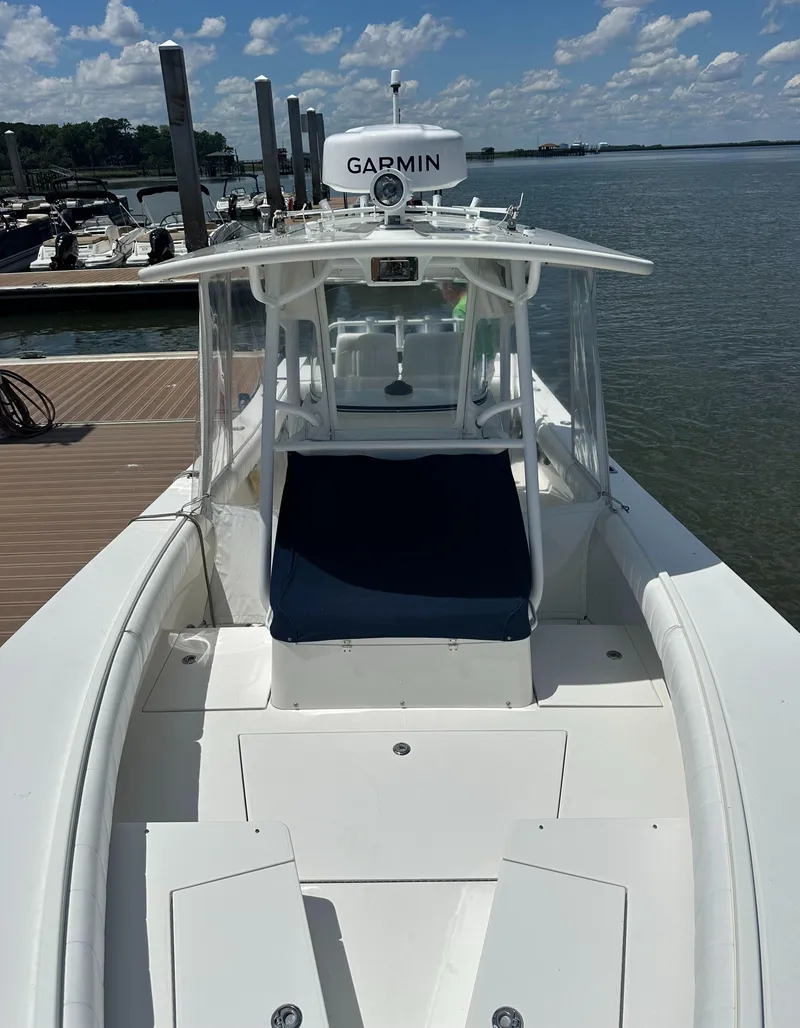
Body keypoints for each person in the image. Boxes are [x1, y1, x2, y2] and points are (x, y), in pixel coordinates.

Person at [440, 281, 497, 396]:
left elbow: (459, 340)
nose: (444, 298)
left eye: (443, 292)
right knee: (483, 393)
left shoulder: (459, 310)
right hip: (488, 357)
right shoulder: (480, 303)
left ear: (450, 291)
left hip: (473, 362)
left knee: (470, 395)